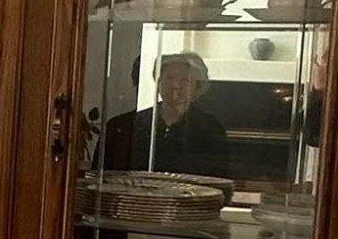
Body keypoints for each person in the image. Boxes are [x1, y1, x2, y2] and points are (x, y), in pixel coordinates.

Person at [100, 51, 238, 177]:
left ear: (197, 87)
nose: (175, 85)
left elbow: (219, 179)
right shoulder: (122, 126)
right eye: (169, 78)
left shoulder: (211, 128)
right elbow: (102, 177)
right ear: (158, 82)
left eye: (184, 80)